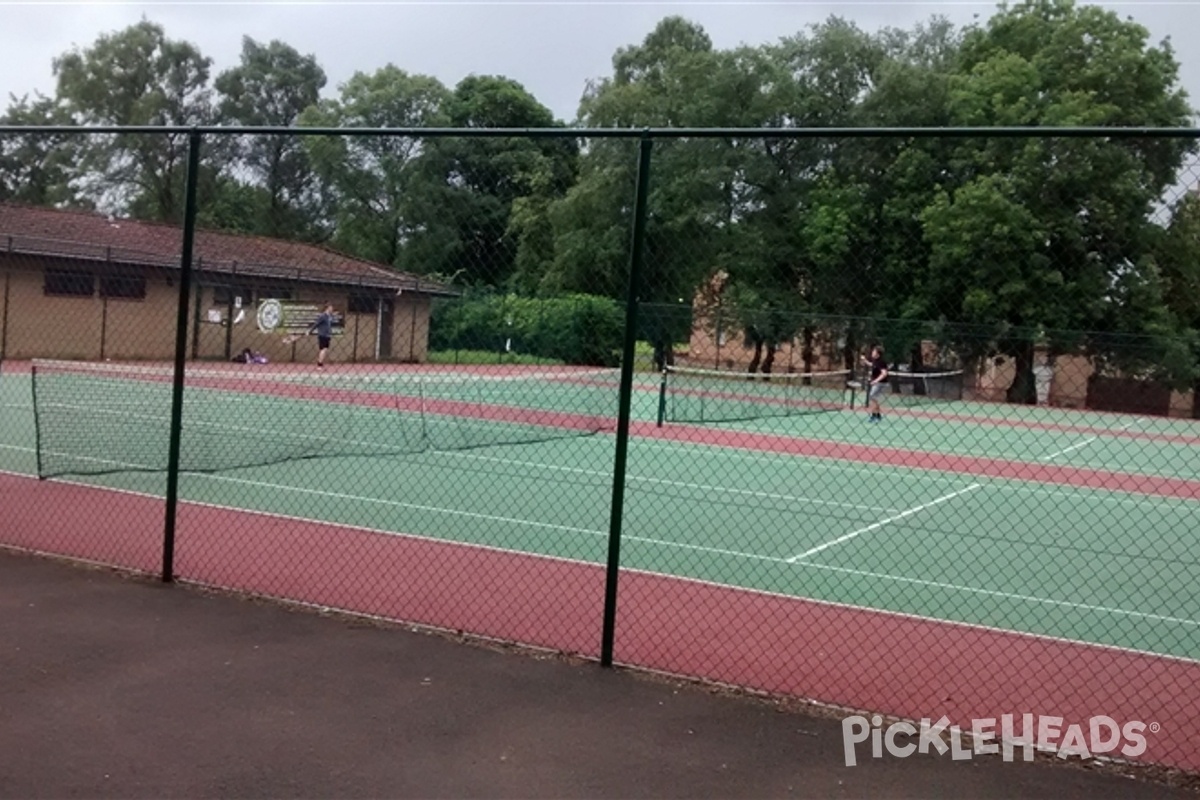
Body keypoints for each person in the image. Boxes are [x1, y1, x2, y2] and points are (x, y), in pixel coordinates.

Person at [860, 345, 889, 422]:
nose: (872, 352)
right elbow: (872, 365)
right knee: (873, 398)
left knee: (872, 397)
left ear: (878, 354)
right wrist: (865, 360)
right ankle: (877, 415)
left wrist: (876, 381)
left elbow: (884, 373)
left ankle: (874, 415)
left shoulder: (881, 362)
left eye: (874, 351)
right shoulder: (875, 361)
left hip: (880, 383)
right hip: (877, 382)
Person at [307, 303, 335, 368]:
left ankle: (320, 361)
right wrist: (310, 331)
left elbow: (330, 324)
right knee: (323, 349)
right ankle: (319, 364)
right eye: (330, 308)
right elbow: (316, 324)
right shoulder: (323, 316)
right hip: (322, 335)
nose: (332, 309)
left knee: (325, 349)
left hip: (328, 335)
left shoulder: (329, 316)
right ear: (327, 308)